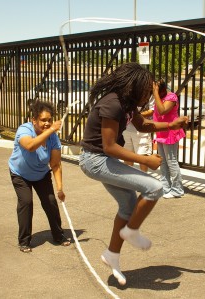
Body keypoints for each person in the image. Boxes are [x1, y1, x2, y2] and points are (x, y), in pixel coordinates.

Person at [78, 62, 188, 286]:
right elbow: (109, 146)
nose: (149, 95)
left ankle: (112, 256)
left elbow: (144, 126)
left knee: (128, 205)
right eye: (147, 90)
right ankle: (132, 231)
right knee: (155, 187)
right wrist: (145, 160)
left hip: (103, 159)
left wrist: (172, 124)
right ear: (134, 86)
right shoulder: (113, 104)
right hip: (95, 160)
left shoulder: (127, 105)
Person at [8, 100, 71, 253]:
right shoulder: (24, 130)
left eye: (50, 120)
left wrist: (60, 188)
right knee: (26, 202)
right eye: (43, 120)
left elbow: (55, 165)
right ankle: (24, 241)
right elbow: (30, 146)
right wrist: (51, 130)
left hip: (41, 174)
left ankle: (58, 235)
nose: (47, 123)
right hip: (20, 174)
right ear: (34, 120)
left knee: (50, 202)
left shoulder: (53, 139)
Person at [152, 79, 185, 198]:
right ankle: (165, 187)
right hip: (161, 133)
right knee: (163, 162)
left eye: (155, 90)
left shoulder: (172, 97)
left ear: (162, 90)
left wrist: (155, 93)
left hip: (170, 133)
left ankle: (177, 189)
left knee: (171, 162)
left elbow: (162, 111)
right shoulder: (159, 98)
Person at [122, 96, 154, 172]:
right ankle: (129, 179)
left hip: (142, 130)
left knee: (142, 156)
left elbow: (152, 110)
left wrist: (135, 116)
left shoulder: (149, 93)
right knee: (127, 155)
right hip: (126, 129)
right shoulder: (127, 91)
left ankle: (143, 179)